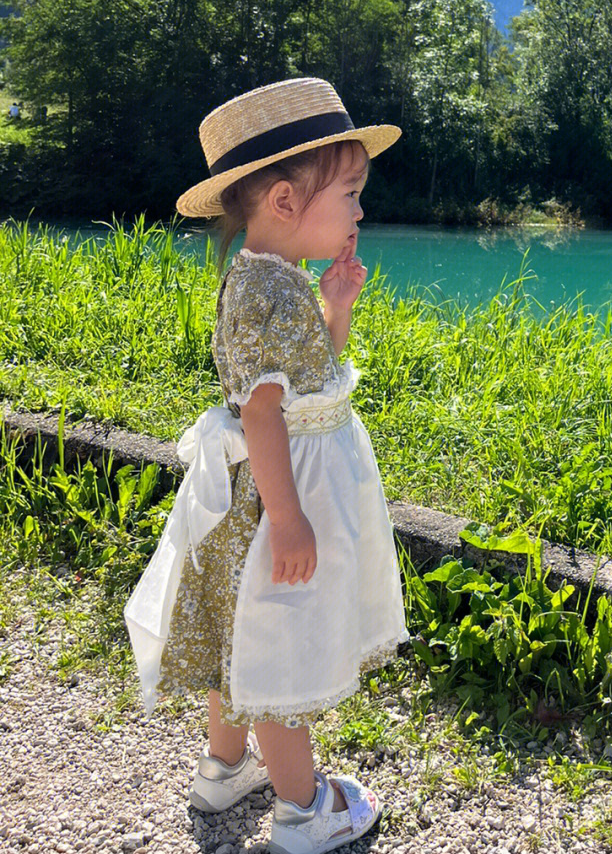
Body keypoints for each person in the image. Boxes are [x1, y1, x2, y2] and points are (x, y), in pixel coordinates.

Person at [124, 77, 409, 853]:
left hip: (252, 500)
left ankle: (224, 768)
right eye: (348, 192)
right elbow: (262, 414)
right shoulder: (269, 294)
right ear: (285, 201)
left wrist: (336, 307)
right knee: (283, 648)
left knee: (237, 642)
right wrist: (289, 519)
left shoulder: (269, 280)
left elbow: (300, 374)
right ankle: (302, 808)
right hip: (275, 503)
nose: (358, 210)